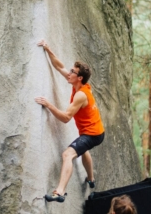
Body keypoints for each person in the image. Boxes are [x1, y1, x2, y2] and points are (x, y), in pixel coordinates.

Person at [35, 40, 104, 203]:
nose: (69, 72)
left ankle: (59, 192)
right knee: (83, 150)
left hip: (93, 134)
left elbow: (66, 118)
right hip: (96, 131)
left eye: (73, 71)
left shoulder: (81, 95)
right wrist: (48, 49)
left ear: (79, 77)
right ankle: (91, 179)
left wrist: (48, 104)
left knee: (68, 154)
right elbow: (59, 66)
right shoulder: (80, 85)